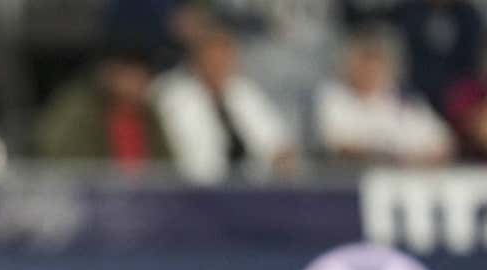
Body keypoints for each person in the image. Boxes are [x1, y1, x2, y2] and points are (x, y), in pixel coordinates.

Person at [153, 24, 296, 184]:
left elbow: (277, 142)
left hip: (252, 190)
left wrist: (282, 159)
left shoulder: (244, 92)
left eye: (225, 60)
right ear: (196, 61)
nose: (219, 66)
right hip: (194, 191)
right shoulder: (171, 95)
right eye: (212, 60)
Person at [315, 27, 453, 166]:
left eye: (377, 63)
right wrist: (389, 154)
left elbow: (443, 143)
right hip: (348, 179)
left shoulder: (406, 100)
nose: (370, 70)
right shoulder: (334, 95)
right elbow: (337, 144)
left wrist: (414, 158)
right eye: (364, 62)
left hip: (402, 177)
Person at [35, 47, 169, 173]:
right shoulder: (78, 111)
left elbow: (165, 167)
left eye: (143, 75)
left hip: (143, 194)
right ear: (109, 74)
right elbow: (59, 156)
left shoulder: (150, 115)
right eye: (130, 75)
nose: (138, 83)